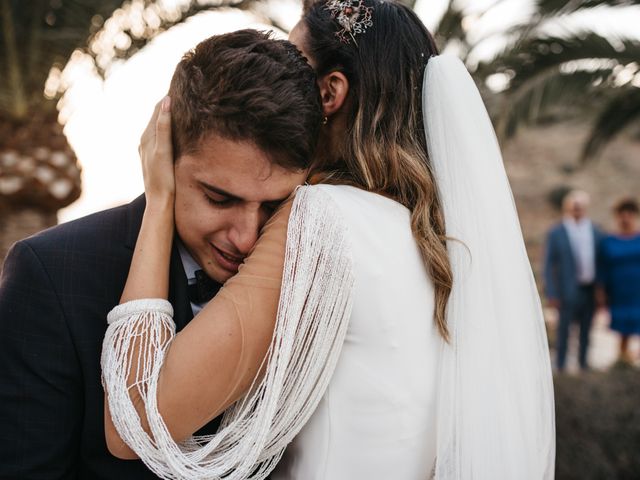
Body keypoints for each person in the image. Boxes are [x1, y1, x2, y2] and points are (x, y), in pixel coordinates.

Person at [102, 1, 555, 479]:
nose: (279, 77)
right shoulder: (437, 237)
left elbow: (137, 422)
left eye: (295, 65)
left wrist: (158, 199)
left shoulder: (323, 220)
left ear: (328, 93)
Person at [0, 30, 321, 479]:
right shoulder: (52, 274)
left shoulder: (316, 274)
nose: (248, 238)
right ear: (164, 155)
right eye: (219, 198)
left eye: (272, 205)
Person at [544, 189, 604, 371]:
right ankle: (560, 366)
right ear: (567, 207)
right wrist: (552, 292)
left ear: (585, 208)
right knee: (564, 329)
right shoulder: (556, 232)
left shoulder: (595, 231)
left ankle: (583, 364)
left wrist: (602, 290)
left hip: (589, 288)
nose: (577, 209)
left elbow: (601, 260)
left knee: (586, 329)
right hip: (566, 289)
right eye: (574, 206)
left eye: (580, 206)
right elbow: (548, 265)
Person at [597, 197, 640, 365]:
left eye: (629, 214)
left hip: (638, 290)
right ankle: (623, 359)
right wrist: (600, 292)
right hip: (618, 291)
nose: (626, 218)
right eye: (622, 214)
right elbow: (602, 268)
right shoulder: (608, 241)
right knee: (623, 326)